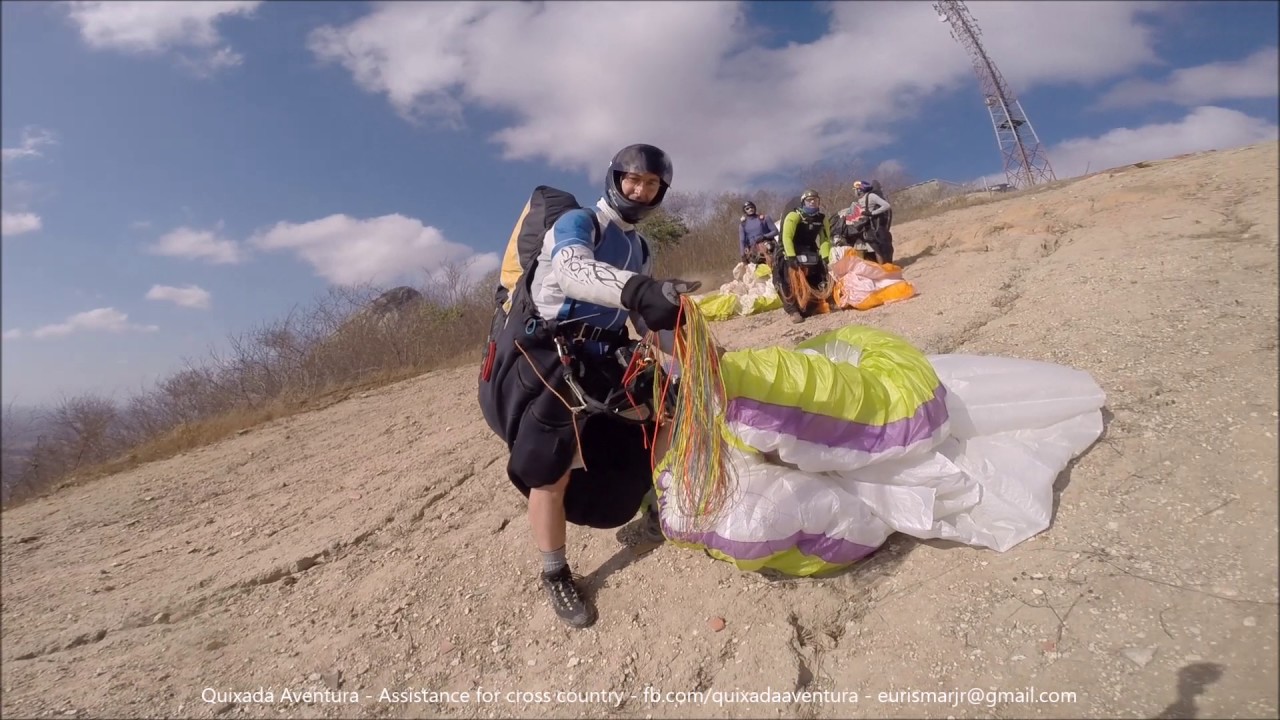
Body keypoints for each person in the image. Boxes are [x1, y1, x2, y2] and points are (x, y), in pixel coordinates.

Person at [477, 143, 701, 629]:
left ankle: (657, 512)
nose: (639, 191)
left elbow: (643, 319)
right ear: (615, 178)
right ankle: (556, 573)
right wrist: (639, 289)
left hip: (604, 353)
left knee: (661, 417)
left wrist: (691, 348)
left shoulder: (639, 247)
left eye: (650, 185)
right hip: (550, 359)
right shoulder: (580, 222)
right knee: (550, 472)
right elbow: (575, 272)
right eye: (632, 180)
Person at [773, 189, 832, 323]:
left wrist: (825, 257)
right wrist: (791, 258)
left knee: (819, 275)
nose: (812, 203)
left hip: (809, 248)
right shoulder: (794, 216)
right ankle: (793, 311)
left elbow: (825, 239)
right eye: (809, 201)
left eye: (815, 201)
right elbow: (786, 237)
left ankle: (819, 301)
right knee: (787, 279)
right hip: (789, 250)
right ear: (803, 203)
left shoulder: (822, 219)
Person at [851, 180, 894, 263]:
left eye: (856, 190)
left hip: (871, 227)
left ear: (860, 190)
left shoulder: (871, 196)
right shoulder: (860, 200)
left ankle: (882, 270)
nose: (855, 192)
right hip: (863, 227)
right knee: (859, 248)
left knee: (875, 248)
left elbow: (887, 206)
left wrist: (872, 213)